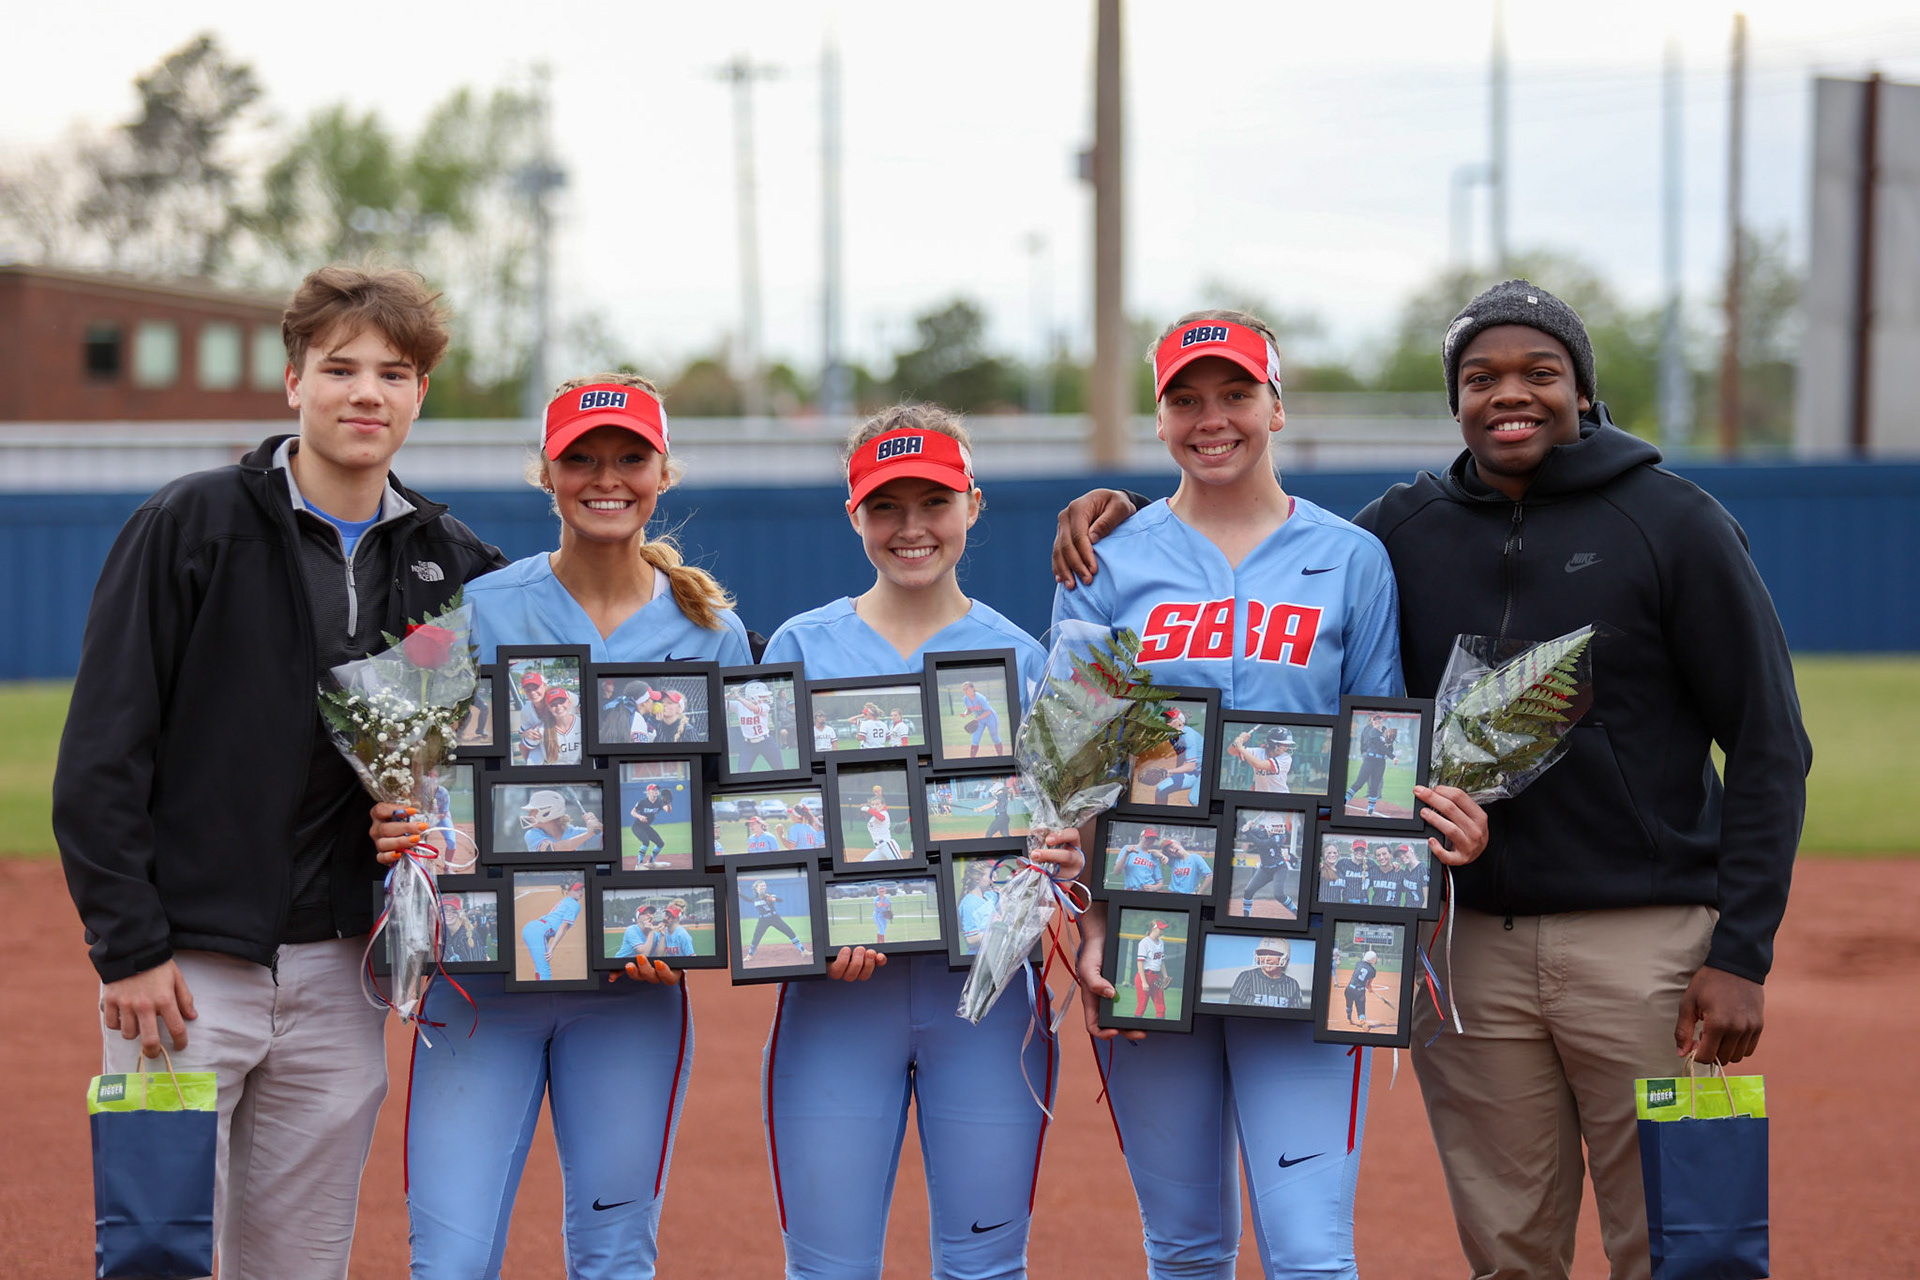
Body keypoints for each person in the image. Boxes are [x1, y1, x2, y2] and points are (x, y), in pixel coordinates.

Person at [1052, 285, 1810, 1280]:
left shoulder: (1668, 521)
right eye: (1480, 376)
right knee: (1506, 1245)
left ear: (1583, 386)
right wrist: (1118, 516)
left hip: (1641, 947)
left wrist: (1743, 948)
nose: (1511, 395)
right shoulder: (1396, 530)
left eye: (1539, 373)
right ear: (1453, 396)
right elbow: (1089, 736)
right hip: (1463, 957)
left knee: (1684, 1237)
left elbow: (1768, 740)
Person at [53, 264, 506, 1280]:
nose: (366, 393)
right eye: (340, 367)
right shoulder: (192, 525)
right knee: (155, 1253)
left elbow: (496, 755)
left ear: (420, 393)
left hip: (342, 972)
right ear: (293, 377)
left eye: (393, 372)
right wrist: (128, 943)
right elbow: (102, 749)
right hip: (184, 972)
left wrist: (427, 822)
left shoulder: (453, 562)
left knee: (299, 1262)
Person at [1051, 309, 1487, 1278]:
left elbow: (1379, 753)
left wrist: (1390, 909)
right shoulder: (1106, 562)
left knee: (1310, 1250)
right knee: (1186, 1249)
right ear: (1159, 419)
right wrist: (1090, 925)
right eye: (1186, 399)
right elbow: (1075, 761)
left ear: (1277, 405)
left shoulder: (1351, 559)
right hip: (1150, 931)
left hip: (1304, 938)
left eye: (1236, 393)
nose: (1213, 418)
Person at [369, 371, 752, 1280]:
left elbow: (745, 814)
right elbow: (392, 745)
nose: (605, 476)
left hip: (631, 989)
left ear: (664, 473)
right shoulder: (472, 610)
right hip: (480, 987)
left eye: (629, 457)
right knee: (450, 1262)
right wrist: (397, 818)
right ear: (547, 472)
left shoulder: (715, 635)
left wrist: (696, 919)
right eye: (581, 458)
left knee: (615, 1258)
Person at [758, 404, 1080, 1279]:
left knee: (984, 1269)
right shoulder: (798, 646)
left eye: (932, 502)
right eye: (884, 506)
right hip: (837, 1002)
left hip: (981, 999)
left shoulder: (1022, 659)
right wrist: (819, 921)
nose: (910, 528)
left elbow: (1051, 828)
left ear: (973, 505)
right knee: (828, 1270)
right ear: (852, 513)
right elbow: (763, 823)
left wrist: (1057, 859)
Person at [522, 880, 586, 982]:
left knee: (540, 967)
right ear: (568, 891)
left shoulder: (565, 901)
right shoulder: (574, 905)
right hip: (538, 931)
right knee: (545, 971)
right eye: (576, 890)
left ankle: (539, 992)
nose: (580, 892)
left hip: (533, 929)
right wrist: (551, 949)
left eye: (581, 890)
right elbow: (563, 927)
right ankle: (544, 997)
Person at [743, 878, 810, 963]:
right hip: (763, 920)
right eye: (761, 886)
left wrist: (774, 899)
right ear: (756, 888)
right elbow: (748, 900)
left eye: (764, 885)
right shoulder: (755, 898)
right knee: (756, 938)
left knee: (790, 932)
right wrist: (739, 894)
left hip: (774, 918)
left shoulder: (768, 895)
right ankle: (750, 955)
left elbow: (779, 899)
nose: (764, 887)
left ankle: (803, 951)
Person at [1228, 938, 1304, 1011]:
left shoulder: (1292, 984)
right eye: (1263, 953)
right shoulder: (1247, 977)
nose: (1267, 958)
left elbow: (1297, 1015)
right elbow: (1233, 1009)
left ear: (1284, 958)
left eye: (1272, 954)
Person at [520, 788, 603, 853]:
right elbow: (554, 849)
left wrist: (599, 826)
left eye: (532, 810)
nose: (529, 815)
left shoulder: (574, 832)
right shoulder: (532, 834)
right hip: (546, 875)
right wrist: (588, 834)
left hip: (578, 875)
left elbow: (612, 840)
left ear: (546, 812)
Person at [1343, 711, 1391, 817]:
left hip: (1379, 760)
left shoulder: (1384, 730)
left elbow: (1387, 744)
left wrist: (1389, 751)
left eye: (1378, 719)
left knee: (1375, 784)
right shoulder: (1368, 729)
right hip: (1369, 757)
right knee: (1360, 781)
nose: (1376, 720)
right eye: (1373, 718)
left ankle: (1371, 807)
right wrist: (1363, 752)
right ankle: (1345, 800)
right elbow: (1365, 740)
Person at [1228, 725, 1294, 792]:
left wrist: (1240, 748)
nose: (1287, 747)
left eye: (1288, 745)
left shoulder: (1286, 758)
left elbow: (1259, 765)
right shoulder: (1259, 752)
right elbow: (1231, 751)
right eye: (1284, 744)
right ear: (1273, 744)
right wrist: (1238, 740)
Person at [628, 781, 674, 868]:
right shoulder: (643, 802)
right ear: (648, 792)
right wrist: (640, 816)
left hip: (646, 826)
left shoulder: (660, 802)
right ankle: (639, 864)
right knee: (645, 842)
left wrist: (668, 802)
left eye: (657, 789)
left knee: (660, 843)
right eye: (653, 789)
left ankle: (651, 862)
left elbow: (668, 810)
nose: (656, 791)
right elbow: (632, 812)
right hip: (637, 826)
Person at [1132, 918, 1170, 1018]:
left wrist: (1165, 976)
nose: (1162, 931)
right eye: (1160, 929)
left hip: (1156, 977)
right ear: (1153, 928)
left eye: (1163, 929)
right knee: (1142, 1006)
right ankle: (1135, 1027)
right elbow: (1140, 963)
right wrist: (1144, 981)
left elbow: (1161, 961)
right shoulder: (1145, 942)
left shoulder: (1161, 942)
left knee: (1161, 1007)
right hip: (1144, 976)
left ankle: (1161, 1031)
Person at [959, 679, 1003, 755]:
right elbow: (970, 709)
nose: (965, 691)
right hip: (979, 719)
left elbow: (988, 711)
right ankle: (971, 761)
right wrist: (965, 714)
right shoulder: (966, 699)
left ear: (972, 688)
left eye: (967, 688)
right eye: (964, 689)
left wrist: (977, 719)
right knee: (975, 739)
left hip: (990, 717)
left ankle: (1001, 757)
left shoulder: (980, 698)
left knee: (995, 737)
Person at [1342, 948, 1380, 1030]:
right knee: (1361, 1007)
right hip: (1360, 992)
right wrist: (1370, 989)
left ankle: (1349, 1018)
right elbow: (1368, 985)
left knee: (1349, 1003)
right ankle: (1362, 1020)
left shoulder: (1358, 963)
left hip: (1349, 989)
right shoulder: (1373, 970)